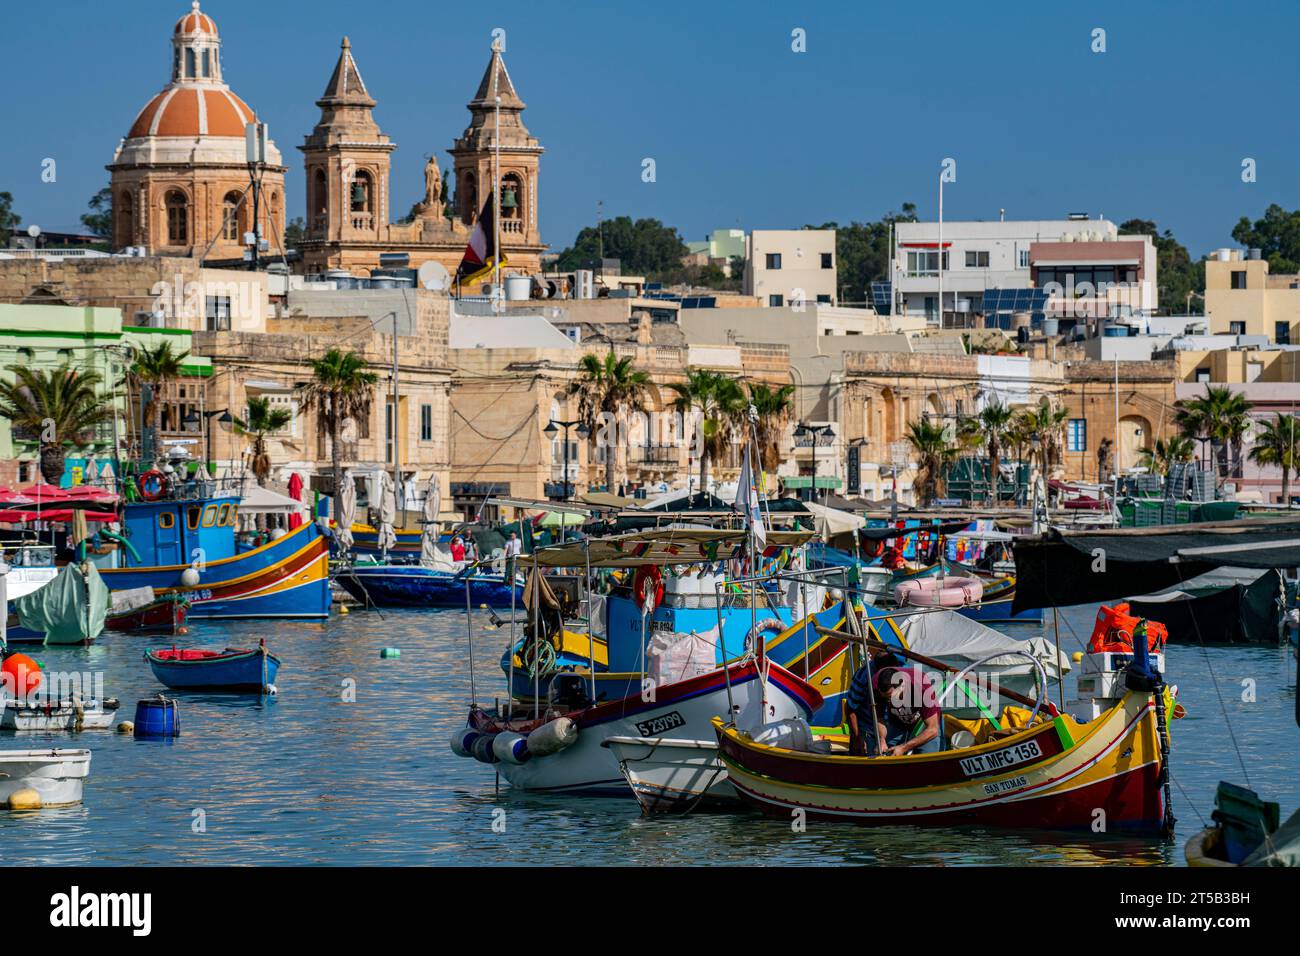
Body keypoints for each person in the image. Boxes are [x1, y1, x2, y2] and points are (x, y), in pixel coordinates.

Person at [873, 665, 942, 756]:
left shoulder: (921, 685)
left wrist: (904, 747)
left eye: (890, 697)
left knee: (926, 759)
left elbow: (933, 729)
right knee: (883, 754)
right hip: (897, 723)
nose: (888, 701)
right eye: (884, 698)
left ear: (902, 685)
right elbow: (879, 717)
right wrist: (881, 739)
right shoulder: (875, 685)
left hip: (924, 724)